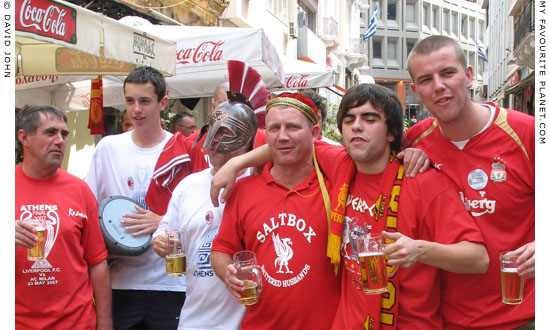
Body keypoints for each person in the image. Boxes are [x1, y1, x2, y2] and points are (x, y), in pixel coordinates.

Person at [211, 86, 489, 329]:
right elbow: (287, 142)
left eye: (369, 119)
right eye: (349, 120)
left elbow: (479, 258)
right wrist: (236, 164)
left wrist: (419, 250)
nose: (357, 127)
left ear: (392, 131)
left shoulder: (424, 182)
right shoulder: (341, 165)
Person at [405, 35, 535, 329]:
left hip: (525, 316)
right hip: (449, 320)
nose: (439, 86)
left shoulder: (526, 134)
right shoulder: (413, 143)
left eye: (448, 73)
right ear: (416, 91)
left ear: (469, 75)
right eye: (426, 79)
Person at [210, 93, 341, 330]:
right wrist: (228, 274)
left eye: (292, 127)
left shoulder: (335, 187)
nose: (282, 136)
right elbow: (221, 249)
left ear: (314, 133)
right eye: (274, 128)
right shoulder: (244, 190)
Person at [86, 66, 185, 330]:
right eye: (130, 100)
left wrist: (162, 221)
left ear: (163, 102)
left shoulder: (182, 150)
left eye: (144, 101)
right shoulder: (108, 148)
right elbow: (89, 209)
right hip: (120, 282)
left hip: (172, 283)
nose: (136, 109)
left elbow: (200, 215)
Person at [152, 98, 259, 330]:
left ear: (247, 139)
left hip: (246, 321)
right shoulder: (188, 186)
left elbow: (298, 147)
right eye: (212, 130)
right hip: (195, 318)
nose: (215, 140)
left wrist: (238, 165)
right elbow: (166, 231)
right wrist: (159, 240)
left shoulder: (260, 182)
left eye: (226, 132)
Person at [15, 105, 112, 329]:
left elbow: (97, 263)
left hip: (76, 322)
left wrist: (105, 322)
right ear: (24, 137)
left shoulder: (80, 190)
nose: (60, 140)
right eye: (50, 132)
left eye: (64, 134)